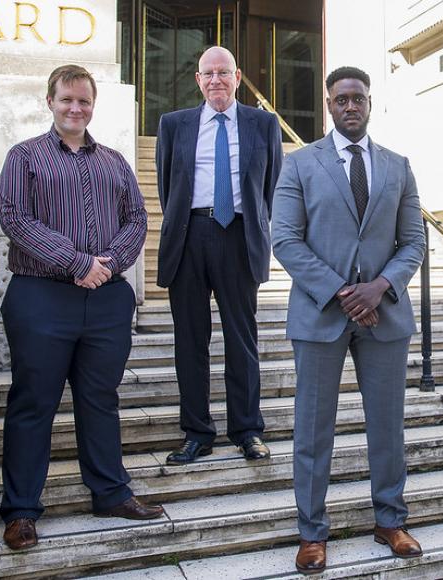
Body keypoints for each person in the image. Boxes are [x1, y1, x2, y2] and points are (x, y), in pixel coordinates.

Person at [0, 64, 163, 551]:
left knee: (100, 399)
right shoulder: (24, 157)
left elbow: (137, 216)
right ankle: (22, 510)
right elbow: (14, 216)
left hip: (106, 299)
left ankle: (110, 492)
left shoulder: (113, 161)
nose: (76, 108)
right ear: (50, 101)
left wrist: (108, 268)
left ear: (93, 105)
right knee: (33, 404)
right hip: (40, 297)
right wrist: (76, 263)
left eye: (84, 101)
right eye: (67, 100)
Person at [271, 66, 426, 574]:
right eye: (341, 99)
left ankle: (390, 520)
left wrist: (380, 287)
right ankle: (312, 533)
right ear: (329, 104)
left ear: (370, 102)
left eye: (358, 97)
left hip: (385, 316)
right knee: (312, 430)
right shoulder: (299, 165)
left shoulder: (398, 166)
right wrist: (342, 291)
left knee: (387, 426)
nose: (350, 105)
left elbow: (414, 242)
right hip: (321, 314)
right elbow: (286, 239)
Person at [156, 46, 283, 465]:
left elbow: (271, 187)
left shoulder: (263, 124)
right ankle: (197, 433)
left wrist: (252, 227)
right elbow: (166, 186)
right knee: (190, 342)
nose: (215, 80)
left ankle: (247, 431)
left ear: (238, 76)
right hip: (190, 236)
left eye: (223, 72)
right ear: (198, 80)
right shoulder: (173, 124)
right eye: (207, 73)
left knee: (241, 340)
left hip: (238, 238)